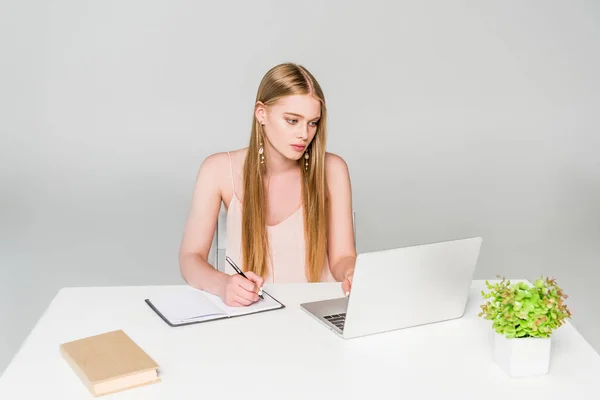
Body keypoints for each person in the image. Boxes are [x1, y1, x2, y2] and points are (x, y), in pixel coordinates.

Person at [178, 62, 357, 307]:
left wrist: (351, 273)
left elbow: (342, 258)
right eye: (292, 120)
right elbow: (190, 258)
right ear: (261, 113)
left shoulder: (333, 170)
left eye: (313, 122)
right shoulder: (218, 170)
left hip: (318, 313)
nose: (304, 134)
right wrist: (223, 284)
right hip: (253, 316)